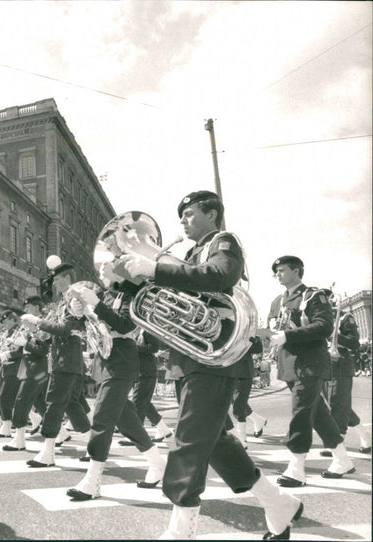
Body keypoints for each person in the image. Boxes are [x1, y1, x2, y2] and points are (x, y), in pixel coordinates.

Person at [120, 191, 302, 539]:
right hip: (190, 357)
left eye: (189, 213)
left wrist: (157, 268)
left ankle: (181, 529)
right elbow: (168, 296)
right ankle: (278, 502)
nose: (183, 221)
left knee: (188, 439)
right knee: (214, 441)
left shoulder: (223, 241)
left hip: (214, 356)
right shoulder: (188, 254)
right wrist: (127, 280)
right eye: (183, 215)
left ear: (212, 213)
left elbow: (220, 275)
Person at [67, 283, 166, 500]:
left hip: (123, 360)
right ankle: (157, 462)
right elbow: (96, 326)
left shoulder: (132, 295)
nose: (101, 269)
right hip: (106, 361)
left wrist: (95, 304)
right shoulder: (107, 295)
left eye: (106, 265)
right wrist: (81, 312)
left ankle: (92, 482)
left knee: (102, 417)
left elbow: (123, 326)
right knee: (126, 420)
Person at [268, 255, 355, 487]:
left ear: (297, 271)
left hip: (311, 362)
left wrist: (287, 335)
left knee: (301, 412)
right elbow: (272, 327)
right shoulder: (277, 301)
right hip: (288, 364)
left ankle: (296, 468)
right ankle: (342, 460)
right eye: (276, 271)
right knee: (317, 414)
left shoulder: (313, 295)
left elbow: (324, 326)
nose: (278, 274)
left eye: (282, 269)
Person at [19, 258, 91, 468]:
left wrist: (38, 322)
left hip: (66, 361)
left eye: (57, 279)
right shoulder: (64, 301)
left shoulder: (73, 300)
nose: (54, 283)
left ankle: (47, 452)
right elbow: (57, 332)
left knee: (53, 403)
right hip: (65, 360)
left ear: (67, 278)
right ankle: (92, 444)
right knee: (71, 404)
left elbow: (65, 330)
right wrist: (38, 332)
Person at [4, 296, 49, 452]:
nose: (26, 311)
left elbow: (43, 350)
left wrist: (25, 344)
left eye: (29, 307)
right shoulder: (31, 324)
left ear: (37, 307)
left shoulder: (42, 324)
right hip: (30, 367)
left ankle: (19, 438)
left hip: (37, 368)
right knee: (39, 402)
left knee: (22, 400)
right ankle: (62, 433)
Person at [322, 309, 371, 453]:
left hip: (341, 365)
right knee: (336, 404)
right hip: (324, 365)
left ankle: (337, 444)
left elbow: (354, 343)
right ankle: (364, 434)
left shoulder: (344, 318)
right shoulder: (318, 318)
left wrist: (335, 336)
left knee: (337, 403)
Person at [231, 336, 267, 448]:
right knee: (235, 402)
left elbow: (257, 348)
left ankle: (242, 438)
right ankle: (258, 419)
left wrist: (250, 338)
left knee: (238, 405)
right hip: (227, 372)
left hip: (243, 372)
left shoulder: (244, 330)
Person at [0, 310, 22, 439]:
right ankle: (7, 425)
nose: (4, 324)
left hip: (15, 368)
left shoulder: (18, 332)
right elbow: (4, 348)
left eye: (6, 321)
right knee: (9, 398)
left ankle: (7, 427)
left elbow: (21, 351)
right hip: (6, 368)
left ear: (13, 320)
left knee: (4, 397)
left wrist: (9, 354)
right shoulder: (8, 333)